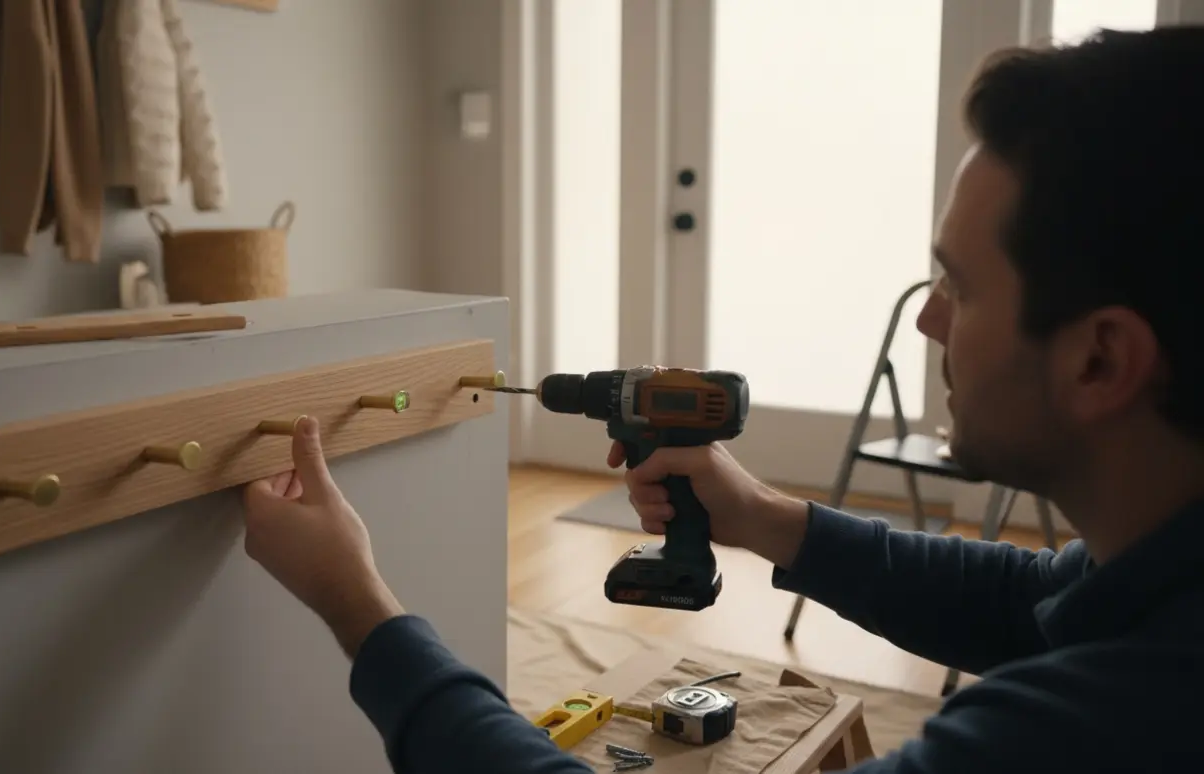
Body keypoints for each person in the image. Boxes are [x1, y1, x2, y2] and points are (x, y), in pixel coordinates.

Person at [239, 26, 1204, 773]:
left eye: (959, 285)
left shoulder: (1103, 724)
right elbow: (1033, 598)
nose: (930, 325)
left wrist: (360, 608)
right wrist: (770, 520)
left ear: (1100, 360)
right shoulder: (1153, 590)